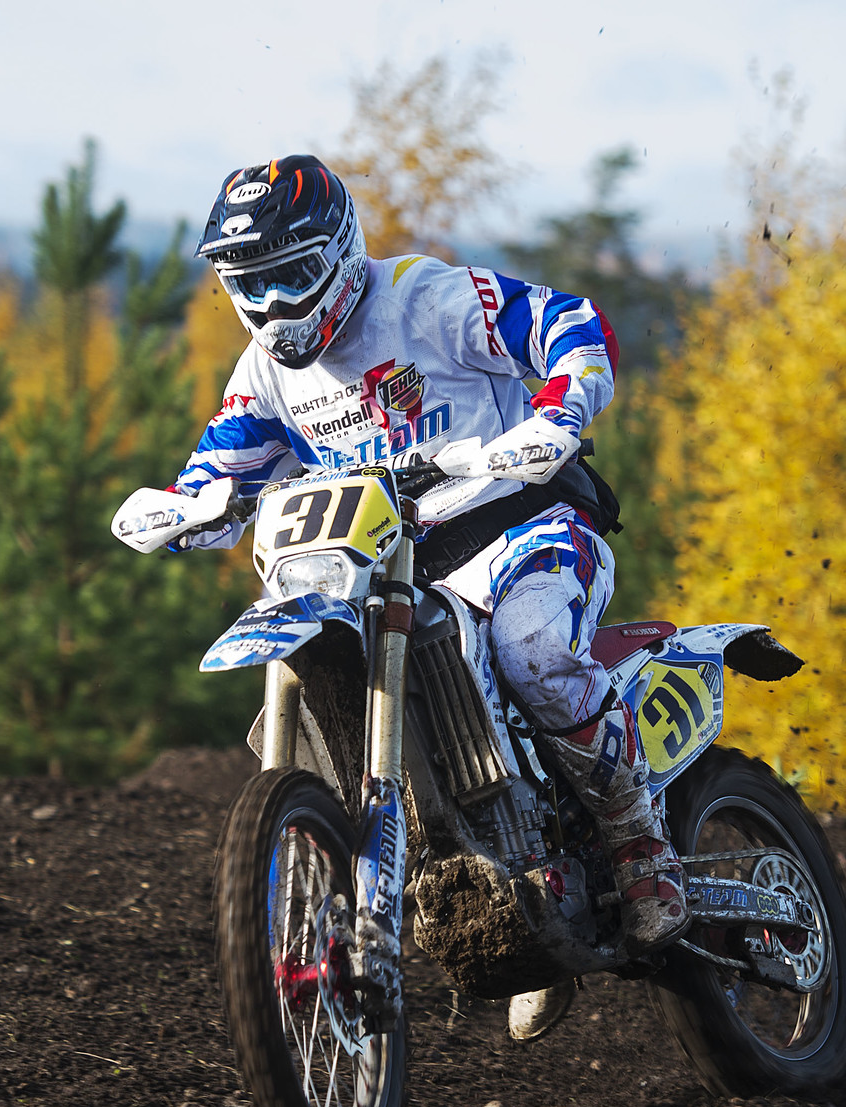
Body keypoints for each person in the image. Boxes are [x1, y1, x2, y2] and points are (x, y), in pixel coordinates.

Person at [171, 155, 686, 1041]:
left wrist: (557, 414)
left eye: (291, 276)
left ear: (339, 252)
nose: (274, 305)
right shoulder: (266, 371)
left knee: (533, 650)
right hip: (387, 570)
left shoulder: (426, 298)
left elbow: (570, 323)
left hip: (521, 528)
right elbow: (224, 459)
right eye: (250, 284)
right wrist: (186, 504)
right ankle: (477, 888)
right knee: (323, 699)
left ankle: (639, 841)